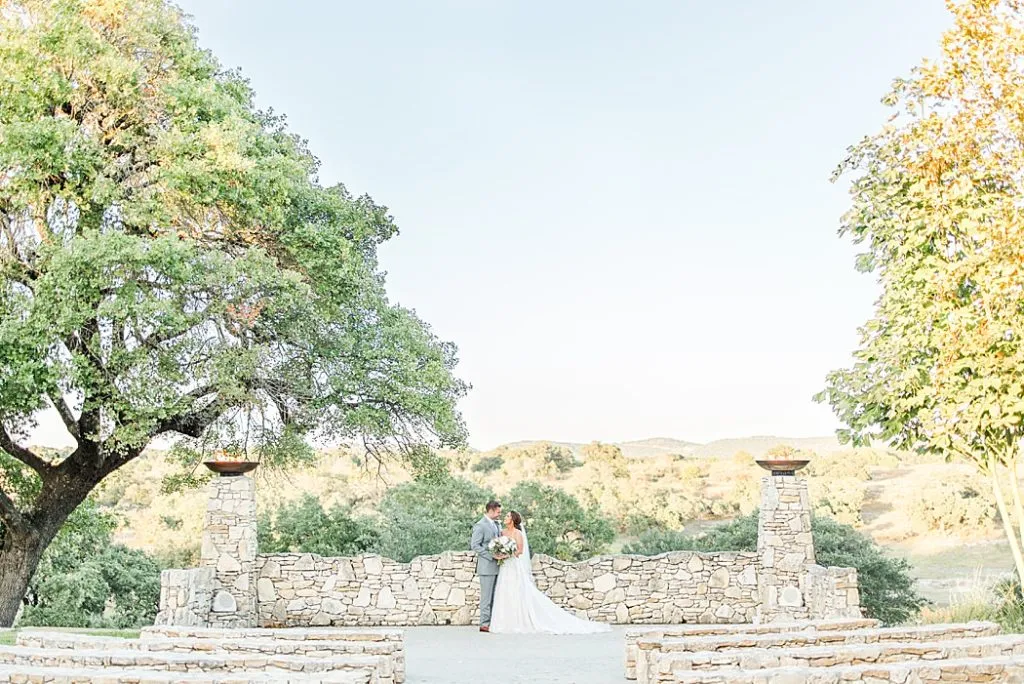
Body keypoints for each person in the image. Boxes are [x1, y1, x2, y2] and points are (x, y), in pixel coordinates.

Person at [489, 510, 611, 634]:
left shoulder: (518, 533)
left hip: (514, 566)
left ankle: (519, 622)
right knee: (504, 591)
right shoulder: (502, 532)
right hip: (505, 568)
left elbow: (520, 551)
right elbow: (498, 545)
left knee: (517, 591)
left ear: (513, 519)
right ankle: (505, 623)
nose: (505, 517)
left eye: (508, 516)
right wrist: (499, 553)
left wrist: (506, 555)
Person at [469, 500, 504, 632]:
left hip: (498, 565)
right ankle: (484, 624)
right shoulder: (480, 525)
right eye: (498, 512)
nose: (500, 514)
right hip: (486, 567)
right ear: (491, 510)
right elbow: (475, 545)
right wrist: (491, 556)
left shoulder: (497, 524)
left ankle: (493, 622)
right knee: (486, 597)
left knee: (496, 595)